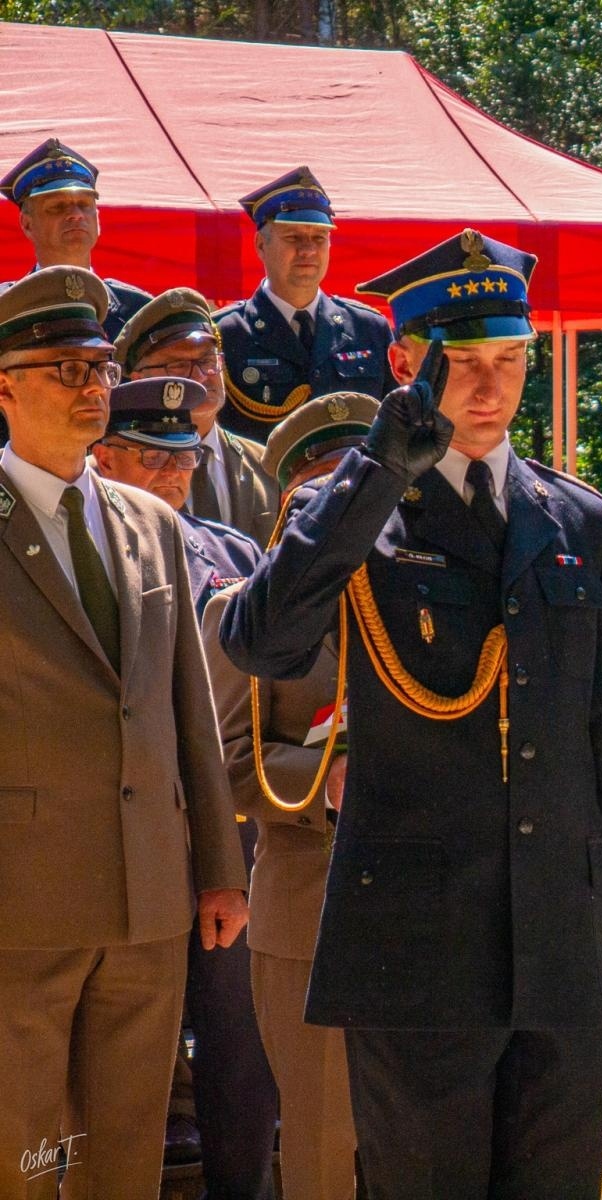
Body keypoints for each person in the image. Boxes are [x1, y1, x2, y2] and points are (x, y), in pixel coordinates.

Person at [221, 229, 602, 1198]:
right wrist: (376, 469)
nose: (488, 386)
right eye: (462, 362)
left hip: (559, 937)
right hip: (417, 950)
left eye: (508, 360)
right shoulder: (357, 515)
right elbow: (262, 641)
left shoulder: (581, 523)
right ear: (404, 363)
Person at [0, 266, 248, 1200]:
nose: (90, 387)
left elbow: (189, 709)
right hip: (18, 908)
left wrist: (220, 865)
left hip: (149, 900)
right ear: (5, 386)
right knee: (20, 1155)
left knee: (125, 1155)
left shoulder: (149, 522)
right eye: (63, 368)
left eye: (100, 366)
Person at [89, 374, 277, 1198]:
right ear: (103, 460)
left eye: (184, 461)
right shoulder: (80, 552)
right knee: (123, 1053)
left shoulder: (236, 555)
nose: (174, 479)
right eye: (151, 462)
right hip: (117, 837)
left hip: (227, 832)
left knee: (239, 1044)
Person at [201, 391, 381, 1200]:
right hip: (310, 909)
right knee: (319, 1146)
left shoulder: (435, 593)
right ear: (290, 503)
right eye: (323, 488)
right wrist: (330, 781)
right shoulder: (240, 614)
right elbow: (231, 762)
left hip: (435, 914)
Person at [215, 167, 393, 442]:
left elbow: (392, 429)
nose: (308, 250)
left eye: (319, 239)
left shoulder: (369, 329)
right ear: (261, 245)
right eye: (293, 238)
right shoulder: (225, 332)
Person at [117, 287, 281, 546]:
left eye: (207, 361)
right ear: (139, 379)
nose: (202, 376)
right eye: (179, 365)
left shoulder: (266, 464)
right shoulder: (118, 465)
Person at [0, 138, 155, 341]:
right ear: (27, 224)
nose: (76, 214)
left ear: (98, 218)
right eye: (58, 206)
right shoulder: (5, 309)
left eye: (84, 204)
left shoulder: (139, 312)